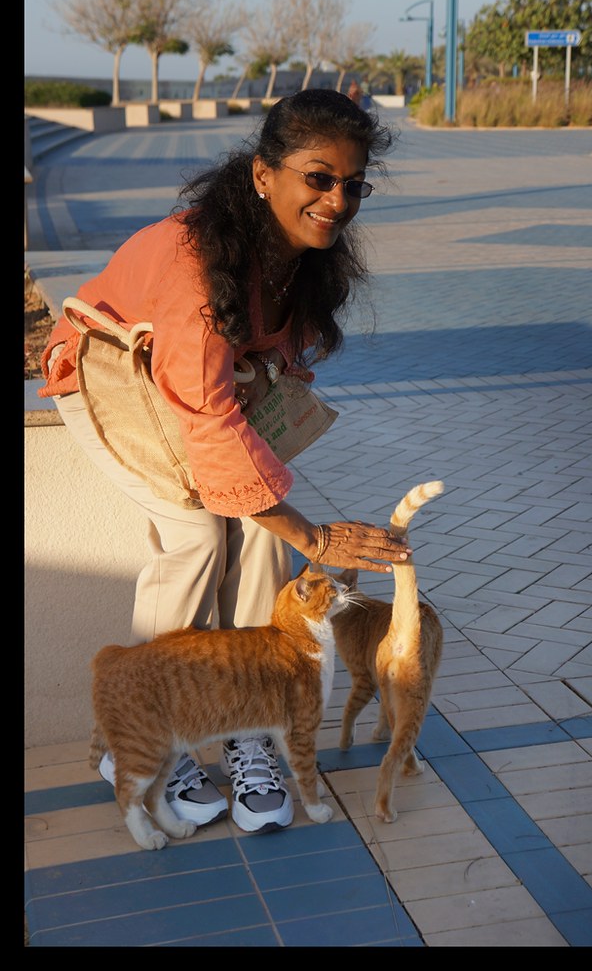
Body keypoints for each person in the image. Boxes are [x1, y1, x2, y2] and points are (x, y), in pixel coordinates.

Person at [39, 89, 409, 836]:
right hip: (110, 381)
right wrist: (317, 538)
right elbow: (207, 420)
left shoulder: (302, 257)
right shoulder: (197, 266)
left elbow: (242, 383)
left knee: (266, 535)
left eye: (353, 185)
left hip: (188, 391)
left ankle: (249, 725)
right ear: (263, 174)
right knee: (198, 537)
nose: (338, 202)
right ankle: (133, 731)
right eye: (319, 178)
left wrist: (289, 521)